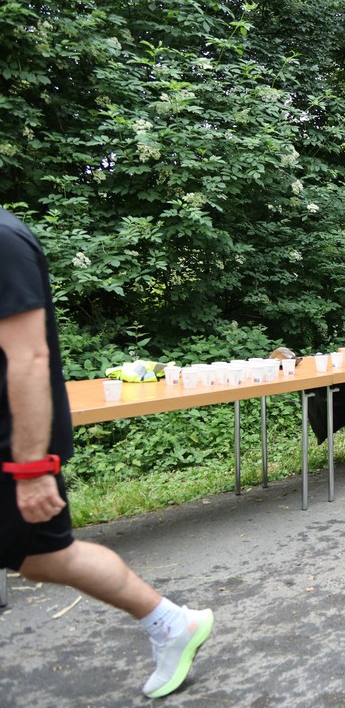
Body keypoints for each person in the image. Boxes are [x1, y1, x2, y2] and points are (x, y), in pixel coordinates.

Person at [0, 208, 213, 698]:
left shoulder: (3, 240)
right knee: (39, 557)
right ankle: (170, 623)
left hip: (13, 446)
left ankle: (170, 623)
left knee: (45, 556)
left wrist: (31, 468)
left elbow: (29, 358)